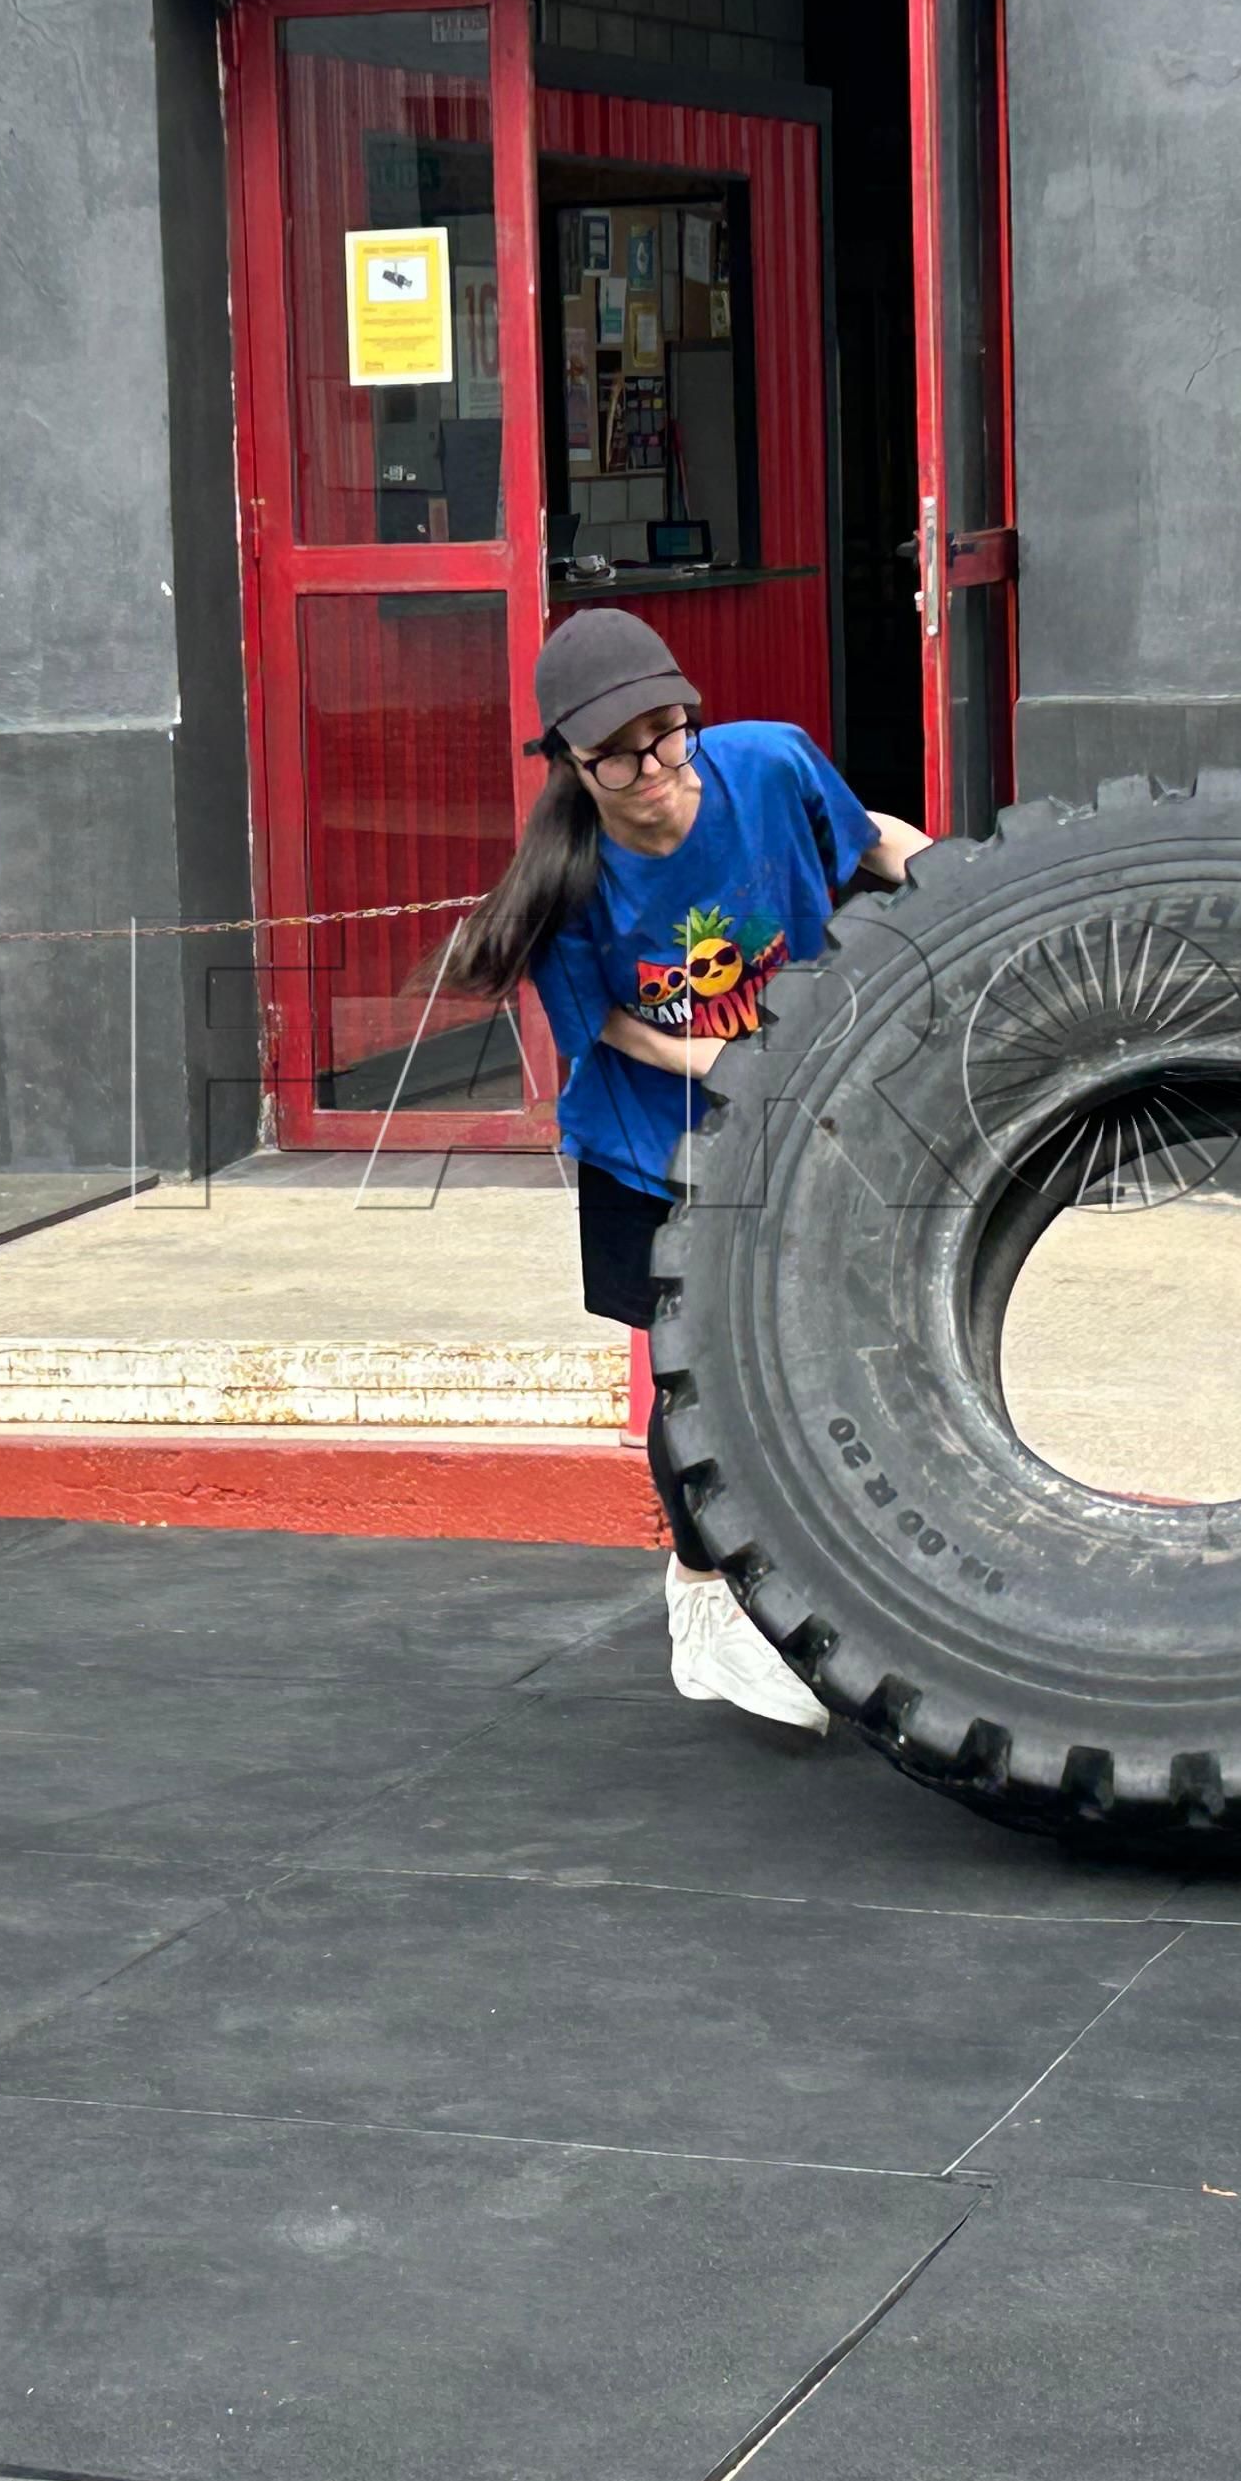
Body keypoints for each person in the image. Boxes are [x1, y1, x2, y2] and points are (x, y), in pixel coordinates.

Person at [458, 609, 930, 1728]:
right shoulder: (567, 879)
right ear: (572, 765)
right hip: (649, 1144)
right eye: (618, 756)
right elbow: (606, 1027)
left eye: (669, 737)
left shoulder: (765, 763)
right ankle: (704, 1598)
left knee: (819, 1337)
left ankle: (837, 1573)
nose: (654, 771)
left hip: (793, 1111)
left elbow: (870, 838)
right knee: (694, 1373)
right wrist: (709, 1055)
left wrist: (973, 883)